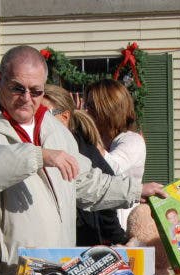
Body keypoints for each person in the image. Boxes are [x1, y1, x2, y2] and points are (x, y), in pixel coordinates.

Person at [0, 46, 165, 275]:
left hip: (56, 274)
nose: (26, 98)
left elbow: (84, 181)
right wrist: (38, 156)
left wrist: (135, 190)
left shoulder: (56, 130)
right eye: (17, 88)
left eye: (36, 91)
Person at [42, 84, 125, 246]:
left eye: (44, 116)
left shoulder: (80, 147)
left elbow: (105, 192)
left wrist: (117, 237)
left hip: (81, 243)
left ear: (64, 117)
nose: (38, 121)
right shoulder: (46, 147)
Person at [84, 79, 146, 231]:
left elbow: (113, 168)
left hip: (122, 222)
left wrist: (89, 134)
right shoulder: (97, 139)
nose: (86, 111)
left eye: (91, 106)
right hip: (94, 219)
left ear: (108, 109)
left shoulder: (133, 140)